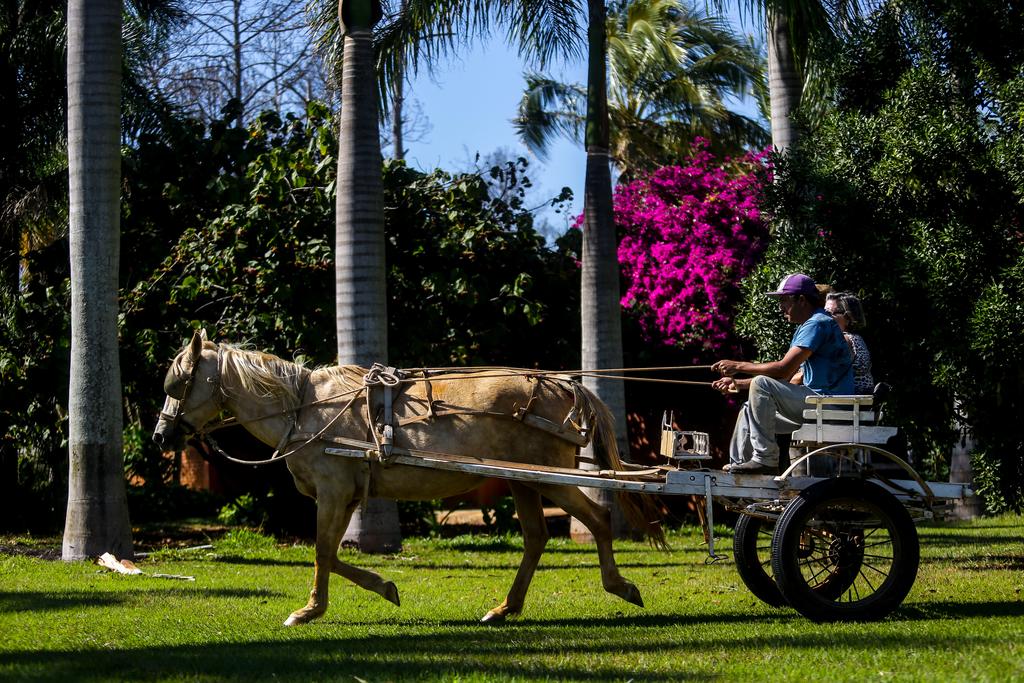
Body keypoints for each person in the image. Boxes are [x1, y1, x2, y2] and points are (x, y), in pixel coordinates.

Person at [711, 273, 854, 473]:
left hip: (828, 404)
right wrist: (738, 383)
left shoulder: (817, 323)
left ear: (801, 299)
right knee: (748, 408)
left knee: (761, 383)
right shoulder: (812, 324)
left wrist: (739, 366)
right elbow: (785, 378)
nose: (781, 307)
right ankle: (741, 470)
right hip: (817, 405)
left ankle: (765, 458)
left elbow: (783, 369)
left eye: (784, 300)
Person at [825, 291, 874, 394]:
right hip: (854, 402)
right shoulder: (856, 338)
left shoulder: (844, 340)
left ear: (848, 318)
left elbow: (824, 375)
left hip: (846, 403)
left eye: (830, 313)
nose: (824, 317)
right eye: (824, 312)